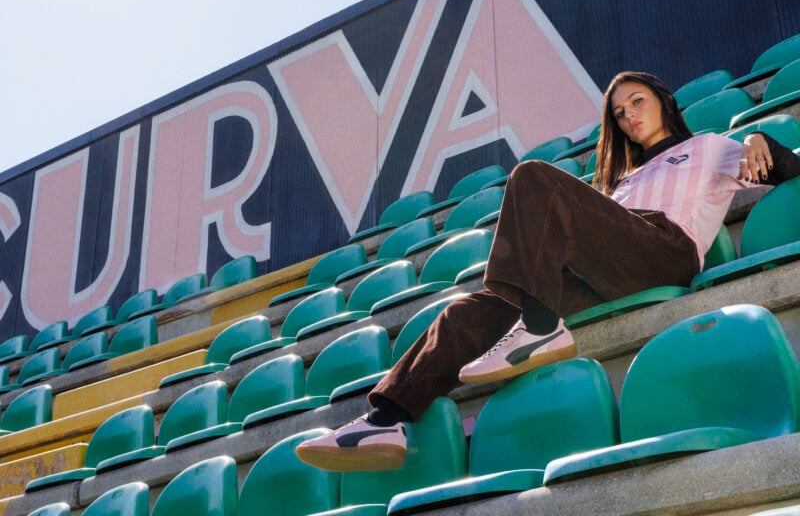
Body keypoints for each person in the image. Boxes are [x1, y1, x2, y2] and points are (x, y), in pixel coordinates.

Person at [295, 71, 800, 472]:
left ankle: (538, 329)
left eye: (637, 102)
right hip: (610, 261)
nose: (628, 117)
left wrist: (758, 137)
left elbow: (785, 167)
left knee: (533, 176)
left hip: (665, 249)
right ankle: (386, 420)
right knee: (465, 313)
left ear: (664, 100)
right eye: (620, 113)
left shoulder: (710, 147)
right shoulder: (620, 184)